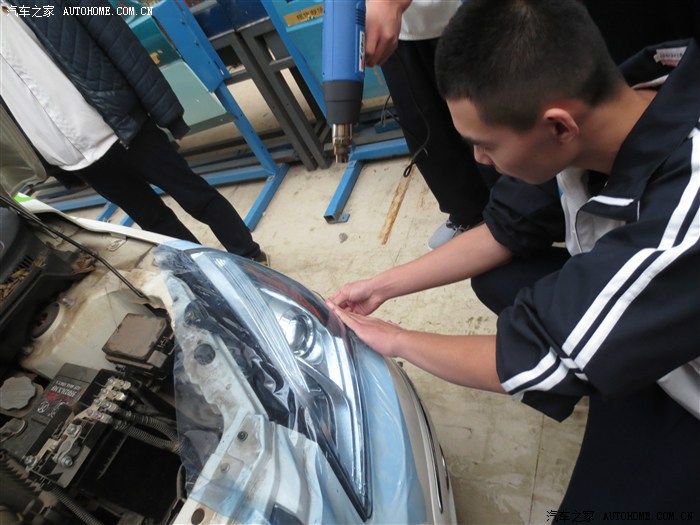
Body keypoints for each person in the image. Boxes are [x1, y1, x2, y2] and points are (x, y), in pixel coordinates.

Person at [330, 0, 700, 517]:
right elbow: (506, 226)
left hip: (687, 377)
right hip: (661, 318)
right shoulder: (618, 99)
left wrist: (395, 340)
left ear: (559, 127)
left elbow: (540, 355)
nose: (479, 159)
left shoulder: (684, 212)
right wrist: (381, 287)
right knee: (496, 279)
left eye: (485, 145)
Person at [0, 0, 267, 264]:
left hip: (119, 125)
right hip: (72, 156)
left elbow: (114, 35)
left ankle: (249, 256)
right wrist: (55, 168)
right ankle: (208, 278)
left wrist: (165, 110)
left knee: (194, 195)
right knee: (153, 222)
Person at [365, 0, 494, 250]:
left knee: (489, 124)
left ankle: (517, 210)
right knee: (426, 130)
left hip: (465, 14)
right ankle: (467, 213)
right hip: (399, 29)